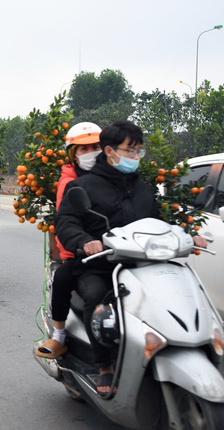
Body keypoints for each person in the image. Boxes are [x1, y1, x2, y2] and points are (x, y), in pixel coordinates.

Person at [55, 120, 207, 396]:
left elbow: (158, 223)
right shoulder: (82, 186)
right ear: (110, 151)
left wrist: (184, 235)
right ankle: (104, 365)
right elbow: (65, 221)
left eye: (138, 151)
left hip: (142, 263)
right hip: (100, 265)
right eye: (130, 150)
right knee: (97, 296)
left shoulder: (144, 190)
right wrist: (84, 241)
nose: (135, 157)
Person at [36, 122, 102, 360]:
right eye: (83, 149)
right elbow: (66, 221)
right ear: (73, 154)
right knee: (63, 277)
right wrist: (79, 245)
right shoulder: (69, 182)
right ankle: (60, 335)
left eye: (95, 147)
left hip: (115, 248)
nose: (90, 152)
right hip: (81, 250)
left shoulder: (112, 176)